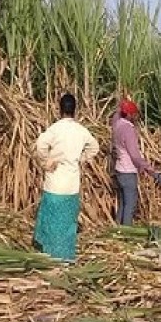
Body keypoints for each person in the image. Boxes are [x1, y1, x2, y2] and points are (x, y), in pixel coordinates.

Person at [33, 93, 99, 262]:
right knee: (68, 223)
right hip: (71, 184)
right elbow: (94, 148)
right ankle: (65, 258)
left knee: (52, 222)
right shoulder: (81, 131)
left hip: (54, 182)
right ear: (75, 110)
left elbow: (40, 144)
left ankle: (49, 256)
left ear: (59, 109)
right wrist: (81, 159)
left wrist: (46, 161)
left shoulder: (55, 129)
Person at [110, 98, 157, 225]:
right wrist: (147, 166)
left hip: (119, 170)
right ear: (130, 115)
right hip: (128, 172)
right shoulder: (128, 129)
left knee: (122, 203)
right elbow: (134, 154)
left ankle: (118, 230)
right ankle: (127, 232)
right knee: (129, 205)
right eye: (134, 114)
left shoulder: (117, 125)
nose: (135, 116)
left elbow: (116, 115)